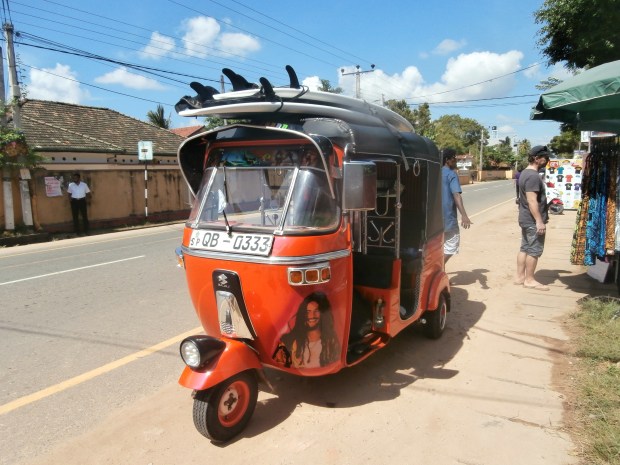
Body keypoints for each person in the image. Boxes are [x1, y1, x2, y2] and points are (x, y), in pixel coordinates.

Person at [272, 292, 340, 368]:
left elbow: (335, 367)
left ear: (323, 314)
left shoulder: (331, 342)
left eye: (316, 311)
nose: (311, 316)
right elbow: (278, 368)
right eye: (308, 312)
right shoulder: (288, 341)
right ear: (302, 314)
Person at [515, 145, 551, 290]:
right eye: (545, 158)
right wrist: (539, 221)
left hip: (525, 218)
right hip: (531, 220)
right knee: (534, 250)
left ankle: (519, 277)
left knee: (524, 248)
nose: (547, 160)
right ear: (536, 158)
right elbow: (531, 200)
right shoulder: (533, 176)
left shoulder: (524, 173)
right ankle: (529, 280)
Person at [441, 148, 472, 265]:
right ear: (447, 160)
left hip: (433, 219)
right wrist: (464, 215)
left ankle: (439, 271)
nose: (455, 161)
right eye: (454, 158)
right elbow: (456, 195)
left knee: (438, 246)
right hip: (448, 218)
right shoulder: (451, 174)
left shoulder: (435, 172)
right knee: (451, 246)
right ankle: (438, 268)